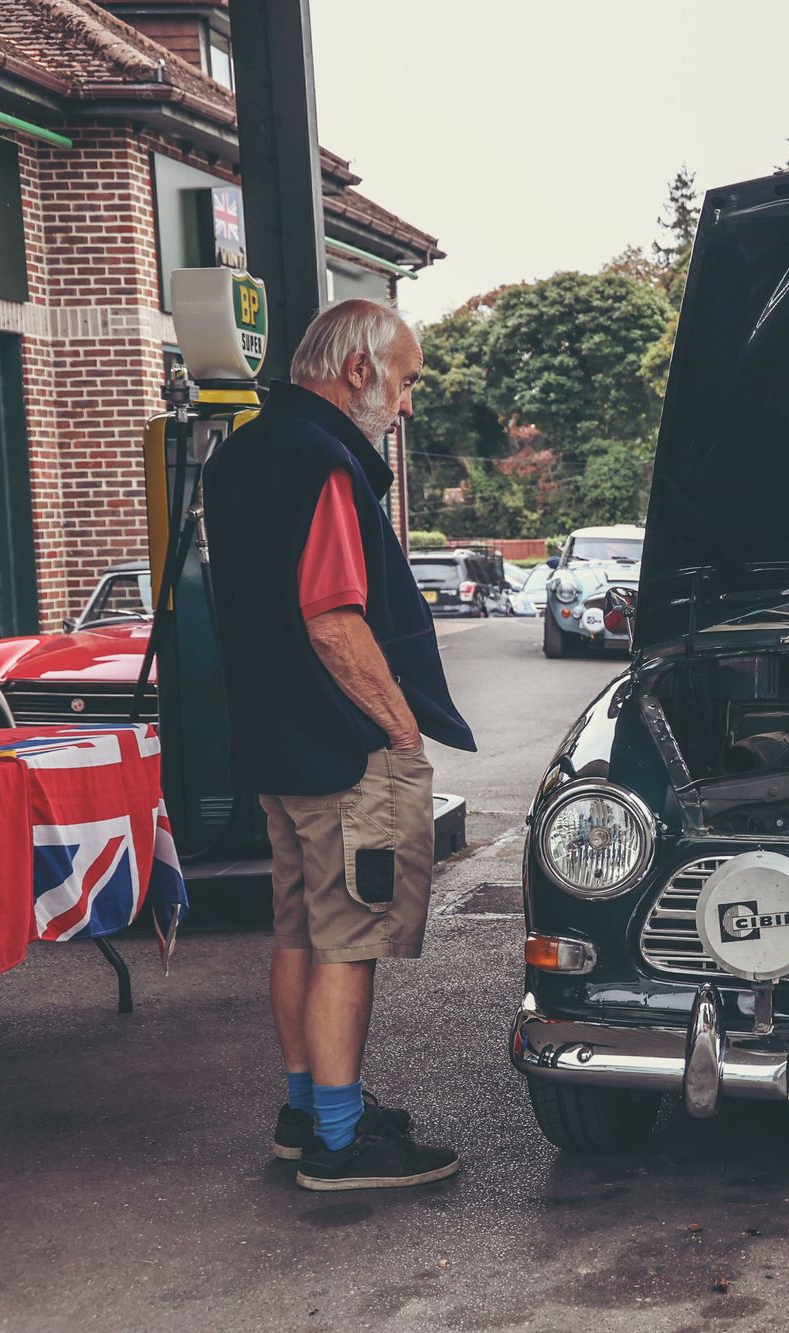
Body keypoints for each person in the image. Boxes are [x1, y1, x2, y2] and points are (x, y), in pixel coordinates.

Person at [205, 299, 476, 1191]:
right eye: (404, 381)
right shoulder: (323, 462)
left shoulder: (242, 452)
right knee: (348, 942)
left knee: (298, 931)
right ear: (358, 370)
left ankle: (306, 1111)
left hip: (277, 750)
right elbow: (331, 620)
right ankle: (339, 1141)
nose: (405, 405)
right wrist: (400, 729)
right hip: (341, 749)